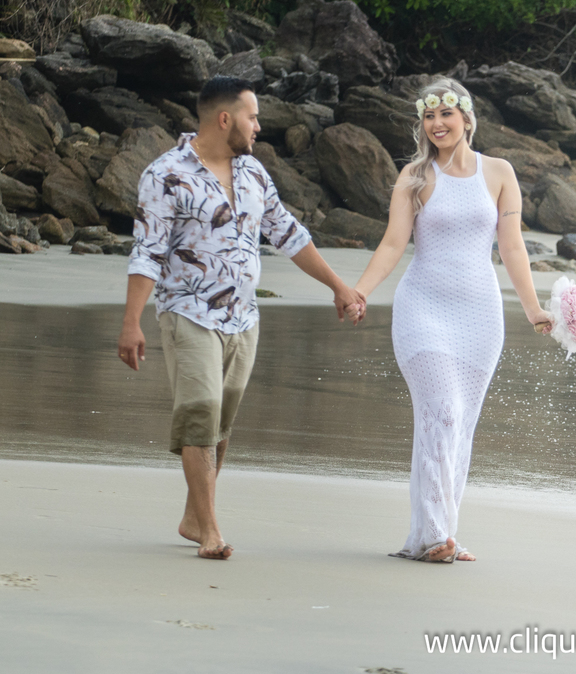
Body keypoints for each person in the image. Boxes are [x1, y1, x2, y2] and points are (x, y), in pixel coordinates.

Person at [117, 75, 364, 560]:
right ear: (224, 118)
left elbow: (289, 234)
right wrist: (131, 322)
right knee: (200, 412)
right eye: (253, 117)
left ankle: (193, 515)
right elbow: (147, 252)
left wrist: (338, 286)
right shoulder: (165, 174)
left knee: (221, 424)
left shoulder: (254, 174)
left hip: (243, 317)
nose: (258, 127)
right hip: (188, 312)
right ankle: (211, 532)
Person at [350, 77, 552, 563]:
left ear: (466, 118)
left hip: (480, 315)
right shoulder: (414, 177)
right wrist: (359, 291)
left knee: (459, 425)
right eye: (429, 116)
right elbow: (394, 243)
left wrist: (534, 308)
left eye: (446, 115)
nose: (437, 124)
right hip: (423, 308)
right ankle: (437, 534)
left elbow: (512, 247)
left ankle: (432, 536)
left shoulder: (499, 172)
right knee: (442, 409)